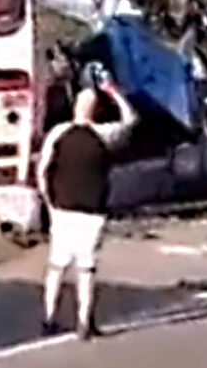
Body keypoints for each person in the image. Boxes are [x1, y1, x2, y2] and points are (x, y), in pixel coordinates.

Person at [37, 73, 138, 340]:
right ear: (96, 110)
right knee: (86, 268)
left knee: (57, 265)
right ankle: (84, 321)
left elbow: (43, 170)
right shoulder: (103, 135)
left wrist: (48, 202)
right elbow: (131, 121)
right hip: (92, 209)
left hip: (62, 207)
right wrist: (114, 92)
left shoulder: (58, 134)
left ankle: (49, 317)